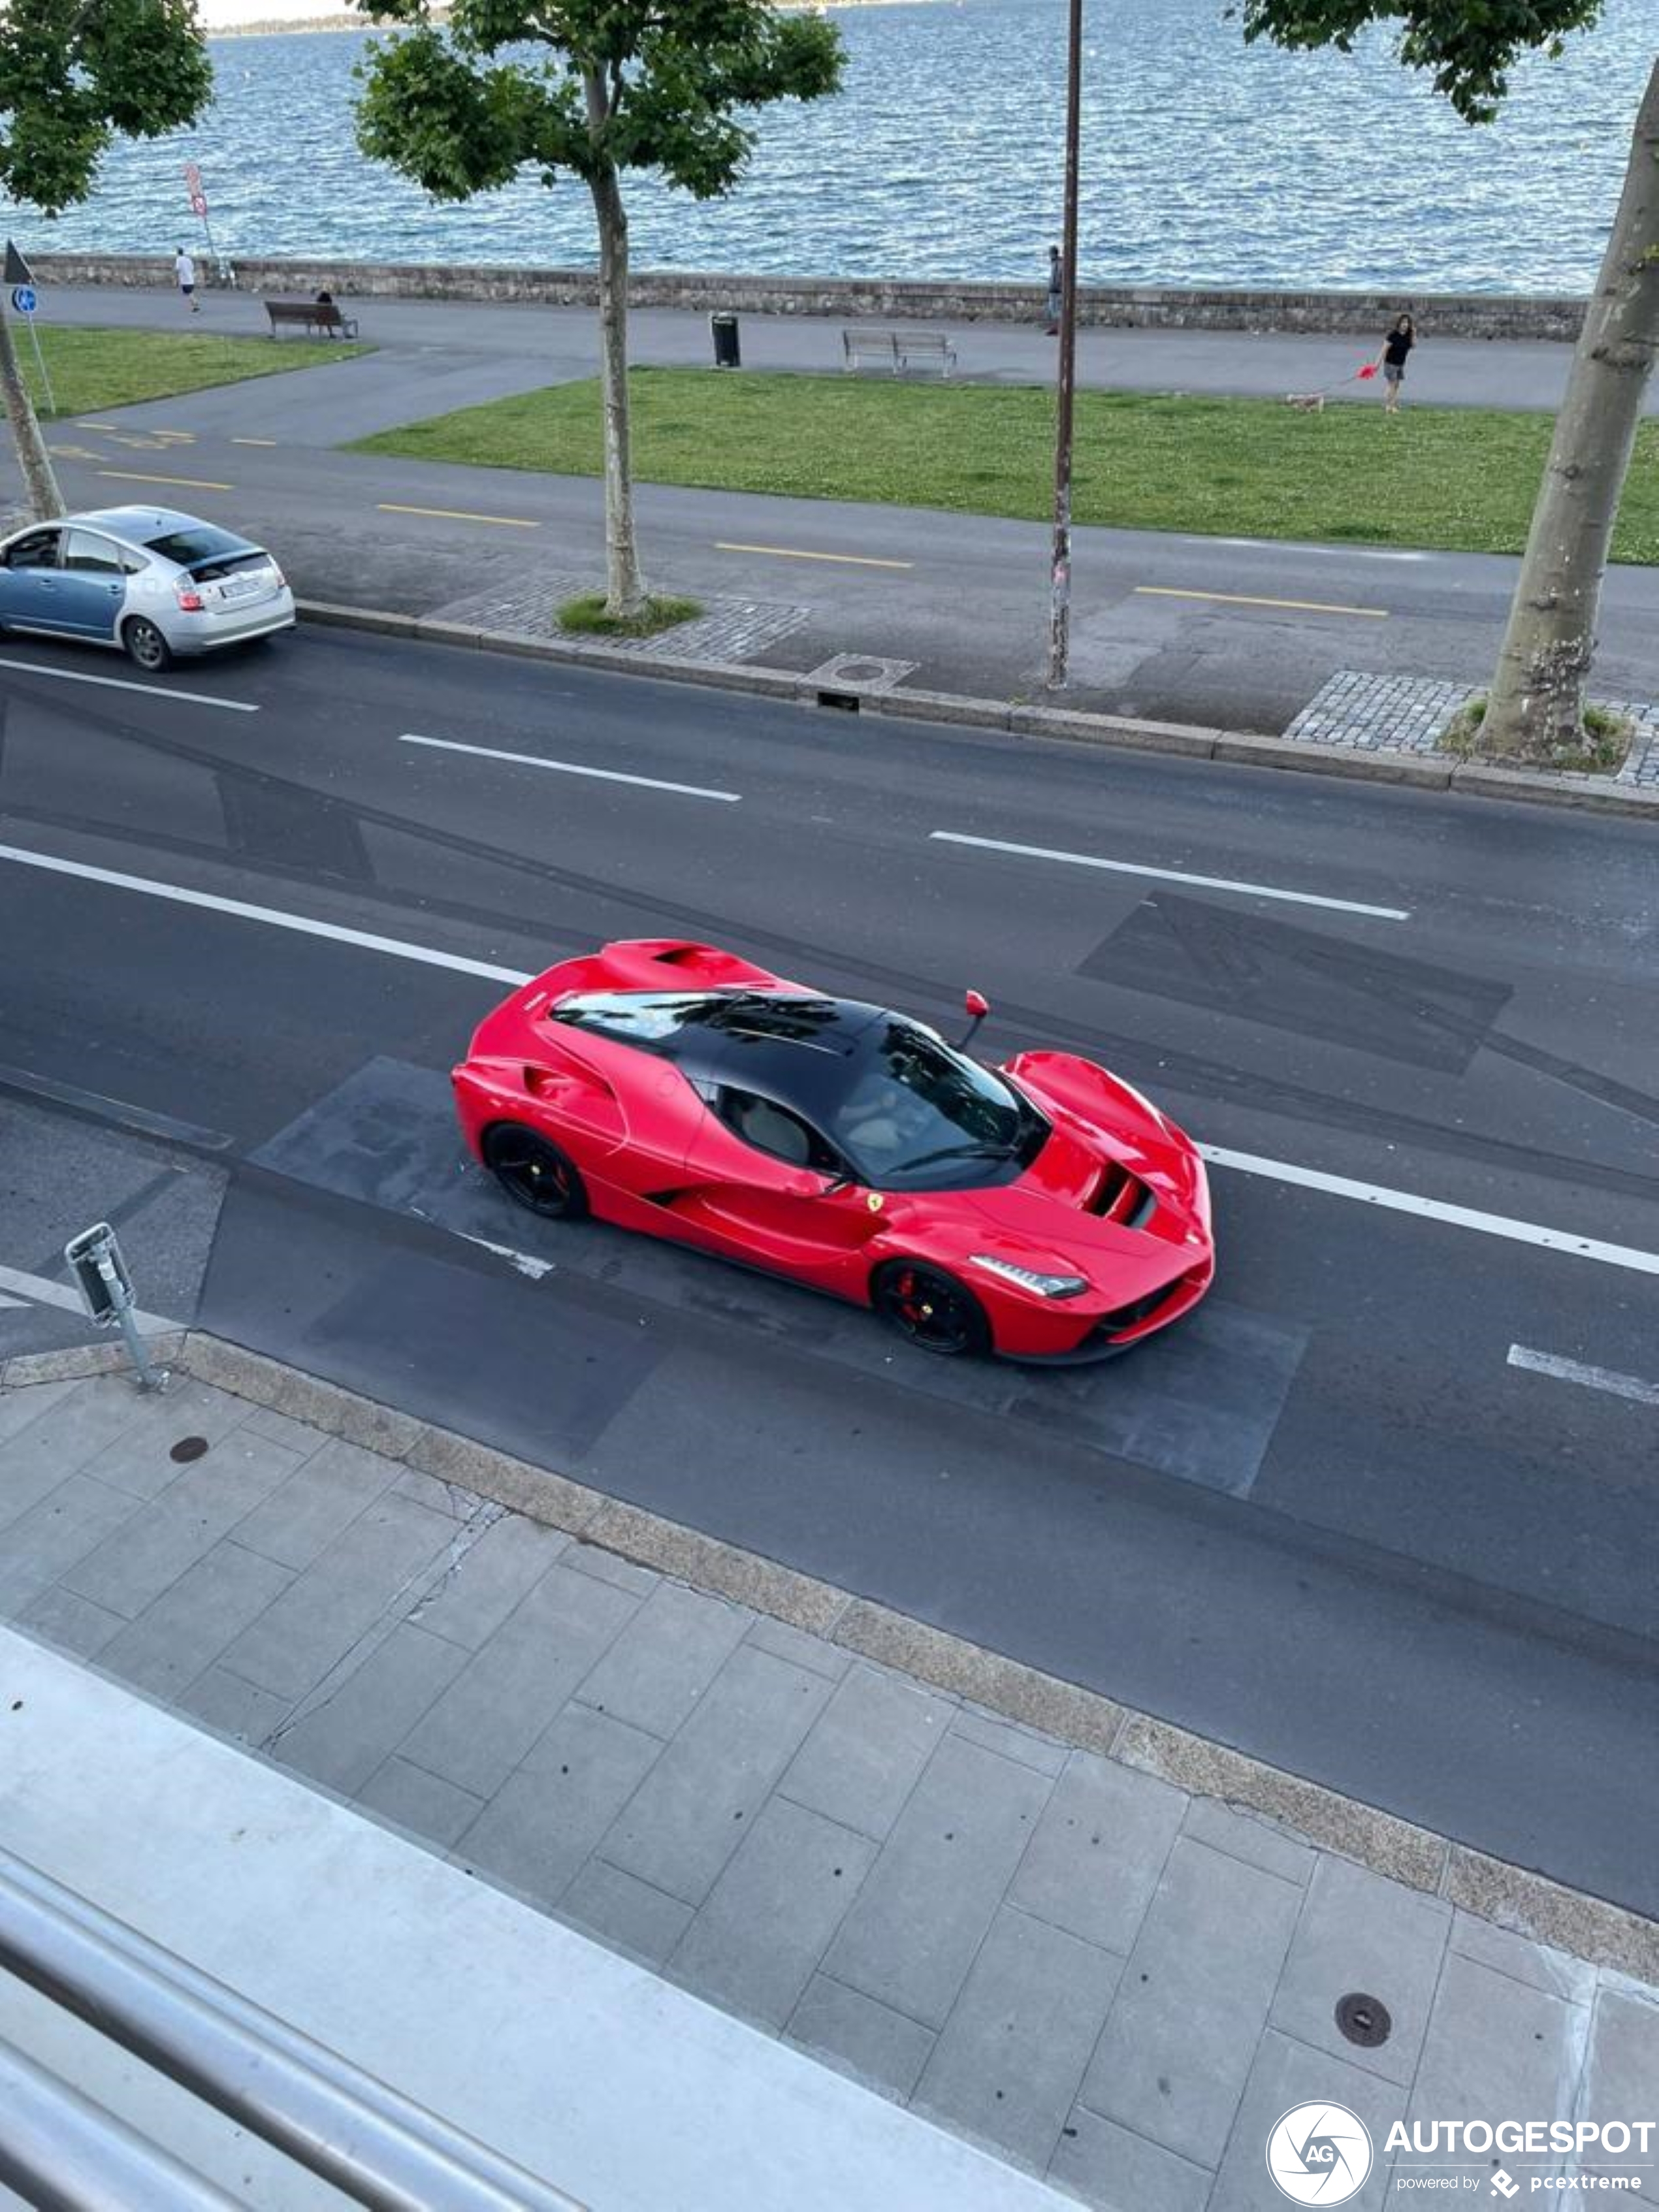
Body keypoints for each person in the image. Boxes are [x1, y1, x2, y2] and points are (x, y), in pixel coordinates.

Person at [1376, 312, 1415, 414]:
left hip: (1400, 364)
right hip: (1390, 364)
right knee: (1392, 384)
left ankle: (1391, 405)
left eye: (1407, 322)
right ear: (1398, 323)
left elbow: (1413, 346)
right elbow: (1383, 350)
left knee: (1397, 385)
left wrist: (1414, 334)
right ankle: (1389, 407)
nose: (1405, 325)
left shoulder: (1409, 334)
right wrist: (1376, 365)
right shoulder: (1392, 335)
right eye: (1403, 322)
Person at [173, 245, 199, 313]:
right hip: (191, 279)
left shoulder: (179, 259)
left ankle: (195, 303)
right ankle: (194, 307)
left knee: (189, 293)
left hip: (185, 280)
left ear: (178, 253)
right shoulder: (188, 259)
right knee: (190, 293)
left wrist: (175, 280)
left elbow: (177, 269)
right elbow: (192, 269)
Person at [1044, 244, 1063, 336]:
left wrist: (1057, 287)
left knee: (1056, 311)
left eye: (1050, 254)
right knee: (1053, 311)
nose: (1049, 256)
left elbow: (1058, 277)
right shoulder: (1055, 263)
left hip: (1056, 290)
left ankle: (1056, 329)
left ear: (1054, 254)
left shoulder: (1059, 263)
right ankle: (1055, 328)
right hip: (1053, 290)